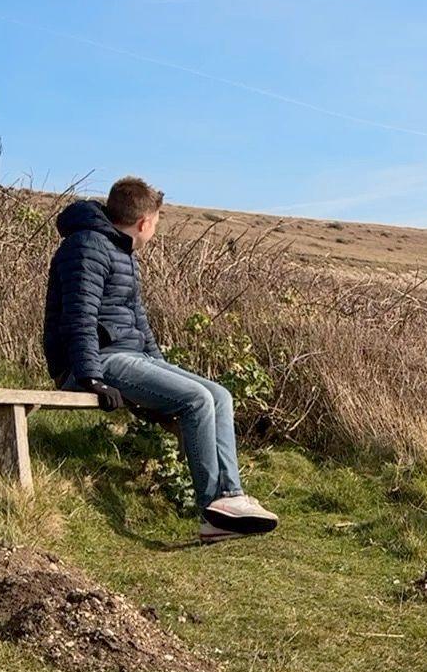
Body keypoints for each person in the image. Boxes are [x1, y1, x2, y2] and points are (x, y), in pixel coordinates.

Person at [43, 177, 278, 543]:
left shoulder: (121, 251)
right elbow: (79, 317)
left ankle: (231, 496)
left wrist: (161, 367)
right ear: (144, 222)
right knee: (196, 400)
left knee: (219, 395)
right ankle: (213, 510)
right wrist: (90, 377)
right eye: (157, 222)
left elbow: (138, 322)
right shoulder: (86, 246)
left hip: (127, 357)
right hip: (94, 363)